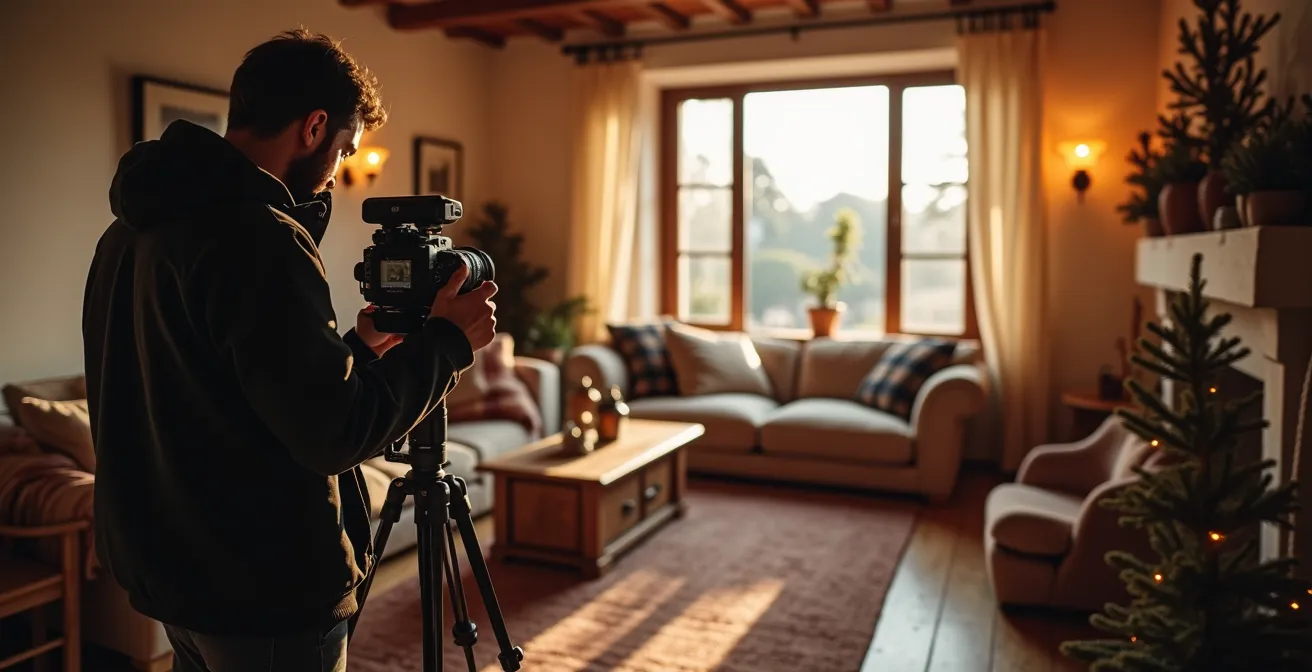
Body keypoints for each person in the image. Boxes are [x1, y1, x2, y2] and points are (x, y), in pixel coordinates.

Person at [81, 29, 497, 672]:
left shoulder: (128, 230)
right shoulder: (259, 236)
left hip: (170, 570)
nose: (338, 171)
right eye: (344, 150)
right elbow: (334, 432)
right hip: (259, 583)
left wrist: (354, 347)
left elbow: (213, 383)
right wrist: (448, 342)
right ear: (314, 127)